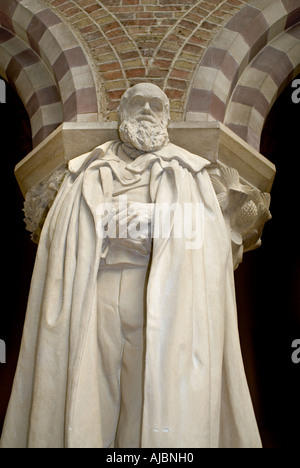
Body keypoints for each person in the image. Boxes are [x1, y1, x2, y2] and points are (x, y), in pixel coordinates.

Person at [0, 83, 262, 448]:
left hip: (161, 294)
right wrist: (152, 224)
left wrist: (121, 222)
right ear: (122, 111)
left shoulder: (188, 172)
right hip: (94, 291)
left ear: (167, 117)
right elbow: (66, 230)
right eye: (137, 103)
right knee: (89, 397)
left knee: (152, 404)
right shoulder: (87, 171)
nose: (146, 110)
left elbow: (203, 234)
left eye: (156, 105)